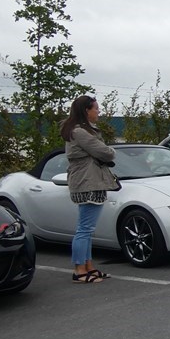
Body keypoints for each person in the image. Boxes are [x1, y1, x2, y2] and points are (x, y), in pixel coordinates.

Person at [61, 95, 117, 283]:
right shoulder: (80, 132)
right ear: (87, 110)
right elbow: (106, 152)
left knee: (87, 228)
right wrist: (110, 151)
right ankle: (79, 270)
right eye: (96, 108)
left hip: (87, 181)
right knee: (84, 229)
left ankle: (89, 266)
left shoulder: (79, 130)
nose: (98, 112)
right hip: (88, 182)